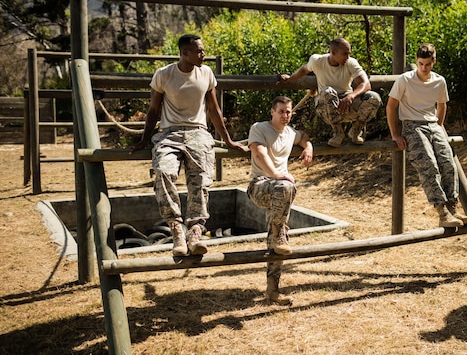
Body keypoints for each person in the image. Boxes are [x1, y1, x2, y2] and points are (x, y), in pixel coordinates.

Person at [131, 34, 244, 257]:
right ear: (184, 53)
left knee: (201, 179)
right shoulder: (164, 75)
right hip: (169, 134)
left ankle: (195, 231)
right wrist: (145, 139)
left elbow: (214, 109)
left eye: (202, 50)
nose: (203, 54)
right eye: (198, 51)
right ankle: (176, 229)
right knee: (163, 171)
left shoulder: (206, 73)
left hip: (198, 133)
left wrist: (228, 139)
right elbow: (153, 110)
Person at [386, 43, 467, 228]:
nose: (423, 68)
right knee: (429, 165)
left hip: (433, 124)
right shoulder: (405, 80)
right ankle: (442, 212)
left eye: (427, 64)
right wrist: (395, 134)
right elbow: (391, 106)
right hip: (412, 125)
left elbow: (442, 105)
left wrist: (439, 126)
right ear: (416, 62)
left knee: (448, 163)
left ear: (433, 61)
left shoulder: (439, 81)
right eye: (420, 64)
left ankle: (453, 208)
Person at [247, 96, 313, 305]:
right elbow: (259, 154)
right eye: (282, 111)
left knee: (278, 236)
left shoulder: (290, 132)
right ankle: (279, 232)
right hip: (260, 185)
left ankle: (273, 290)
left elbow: (303, 136)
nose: (286, 115)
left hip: (283, 190)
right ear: (272, 111)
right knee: (286, 188)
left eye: (289, 112)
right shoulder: (259, 128)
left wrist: (308, 147)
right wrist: (276, 174)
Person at [279, 37, 382, 147]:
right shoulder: (317, 61)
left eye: (349, 54)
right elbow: (305, 69)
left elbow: (366, 84)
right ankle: (337, 132)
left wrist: (351, 96)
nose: (347, 57)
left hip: (347, 104)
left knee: (374, 98)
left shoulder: (351, 63)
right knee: (327, 92)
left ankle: (356, 130)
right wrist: (290, 78)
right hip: (327, 107)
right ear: (333, 52)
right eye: (344, 54)